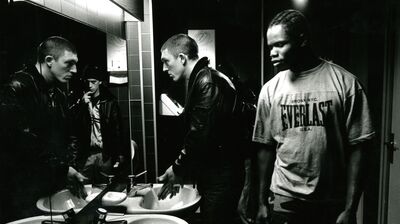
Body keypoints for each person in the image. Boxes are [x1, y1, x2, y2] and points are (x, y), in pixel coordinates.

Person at [253, 10, 375, 224]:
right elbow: (264, 147)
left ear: (302, 40)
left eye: (280, 44)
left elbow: (360, 148)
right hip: (284, 198)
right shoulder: (270, 90)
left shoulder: (345, 84)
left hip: (330, 201)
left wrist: (351, 208)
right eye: (270, 46)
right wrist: (262, 202)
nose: (272, 52)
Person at [157, 34, 244, 224]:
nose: (164, 68)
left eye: (166, 61)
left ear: (182, 58)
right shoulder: (204, 77)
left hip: (221, 178)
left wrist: (177, 168)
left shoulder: (206, 81)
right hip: (219, 176)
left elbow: (200, 135)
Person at [0, 36, 87, 222]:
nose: (75, 70)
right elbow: (23, 141)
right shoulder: (18, 87)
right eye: (69, 63)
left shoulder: (58, 93)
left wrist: (69, 166)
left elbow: (69, 134)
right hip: (21, 192)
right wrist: (63, 169)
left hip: (50, 185)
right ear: (49, 61)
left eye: (76, 63)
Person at [72, 65, 125, 184]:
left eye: (93, 82)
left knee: (104, 187)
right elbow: (74, 127)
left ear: (100, 82)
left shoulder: (110, 102)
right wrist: (81, 105)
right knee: (84, 188)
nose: (90, 85)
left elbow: (117, 129)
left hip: (104, 153)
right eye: (88, 82)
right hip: (87, 154)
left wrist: (119, 153)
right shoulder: (83, 101)